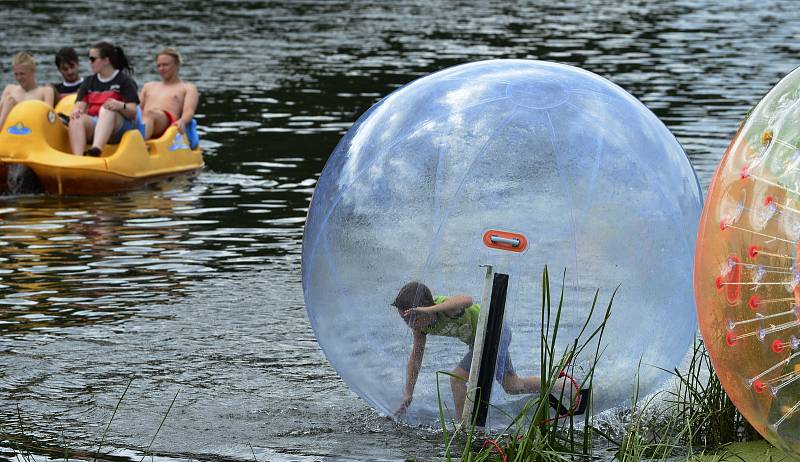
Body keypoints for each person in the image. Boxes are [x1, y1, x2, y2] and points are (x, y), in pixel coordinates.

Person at [392, 281, 575, 421]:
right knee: (512, 386)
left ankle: (463, 427)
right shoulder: (420, 328)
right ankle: (562, 386)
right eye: (405, 320)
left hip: (495, 331)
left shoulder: (445, 309)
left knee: (456, 379)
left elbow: (467, 300)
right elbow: (415, 359)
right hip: (484, 341)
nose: (410, 324)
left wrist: (429, 309)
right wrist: (409, 392)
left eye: (413, 317)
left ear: (425, 307)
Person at [68, 42, 139, 157]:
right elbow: (80, 106)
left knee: (107, 109)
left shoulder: (124, 81)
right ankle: (79, 158)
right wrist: (77, 111)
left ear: (106, 60)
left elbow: (133, 112)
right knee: (76, 118)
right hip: (96, 124)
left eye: (93, 59)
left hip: (119, 128)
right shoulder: (89, 81)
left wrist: (120, 106)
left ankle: (96, 150)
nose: (90, 63)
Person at [139, 47, 198, 140]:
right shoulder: (148, 86)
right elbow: (137, 108)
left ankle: (139, 144)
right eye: (159, 66)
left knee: (150, 113)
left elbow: (189, 112)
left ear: (177, 65)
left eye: (165, 65)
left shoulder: (187, 88)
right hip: (144, 119)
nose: (161, 68)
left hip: (167, 123)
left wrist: (183, 121)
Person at [0, 52, 55, 129]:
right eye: (16, 74)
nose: (19, 78)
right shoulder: (9, 89)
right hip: (9, 132)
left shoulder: (46, 92)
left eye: (22, 74)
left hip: (33, 132)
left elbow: (49, 121)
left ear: (32, 72)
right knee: (9, 101)